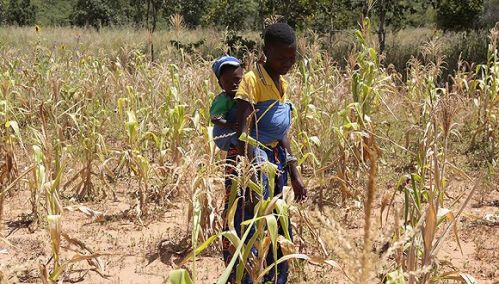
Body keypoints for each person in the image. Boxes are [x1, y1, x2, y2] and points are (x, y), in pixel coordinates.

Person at [222, 22, 307, 284]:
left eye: (292, 58)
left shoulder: (281, 83)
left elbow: (282, 132)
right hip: (253, 162)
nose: (287, 63)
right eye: (282, 57)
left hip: (276, 162)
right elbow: (243, 128)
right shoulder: (252, 80)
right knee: (249, 223)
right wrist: (250, 176)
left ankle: (274, 277)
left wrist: (294, 172)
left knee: (276, 221)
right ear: (267, 51)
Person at [210, 55, 244, 151]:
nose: (233, 84)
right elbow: (215, 118)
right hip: (223, 133)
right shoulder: (223, 100)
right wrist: (231, 125)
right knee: (241, 143)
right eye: (227, 81)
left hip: (235, 130)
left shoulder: (244, 96)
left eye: (237, 79)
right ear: (221, 84)